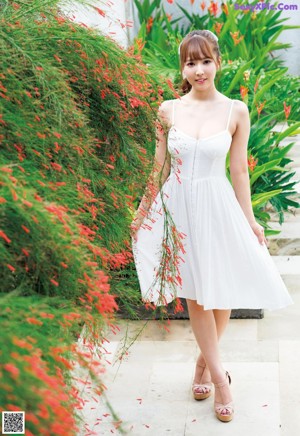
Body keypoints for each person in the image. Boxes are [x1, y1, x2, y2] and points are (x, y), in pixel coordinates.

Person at [130, 29, 293, 422]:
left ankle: (203, 362)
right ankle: (221, 379)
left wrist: (250, 220)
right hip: (178, 206)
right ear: (182, 68)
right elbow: (160, 166)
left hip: (217, 204)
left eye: (205, 61)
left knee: (221, 292)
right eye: (190, 62)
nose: (198, 69)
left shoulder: (236, 110)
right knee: (197, 295)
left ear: (218, 62)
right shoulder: (168, 110)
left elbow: (238, 171)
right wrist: (141, 210)